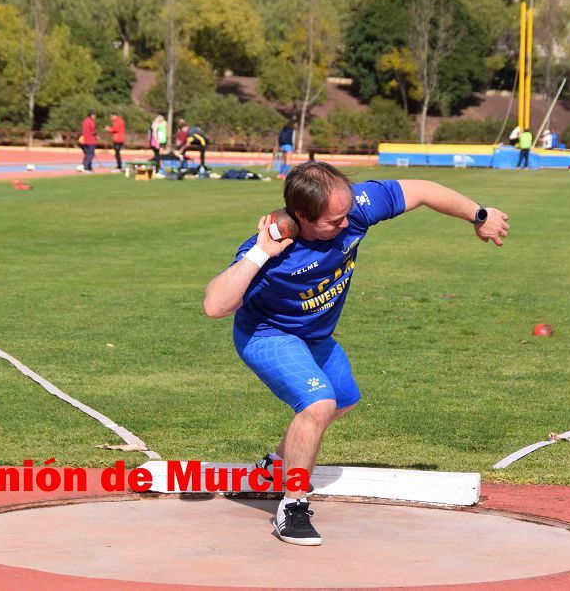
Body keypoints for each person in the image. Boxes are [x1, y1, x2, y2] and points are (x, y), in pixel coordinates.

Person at [203, 162, 509, 546]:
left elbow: (425, 191)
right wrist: (261, 254)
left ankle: (273, 467)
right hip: (268, 335)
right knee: (317, 403)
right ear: (301, 216)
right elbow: (215, 305)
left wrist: (479, 215)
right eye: (334, 221)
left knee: (343, 401)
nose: (347, 224)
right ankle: (293, 506)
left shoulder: (355, 208)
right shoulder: (274, 251)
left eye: (347, 214)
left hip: (316, 336)